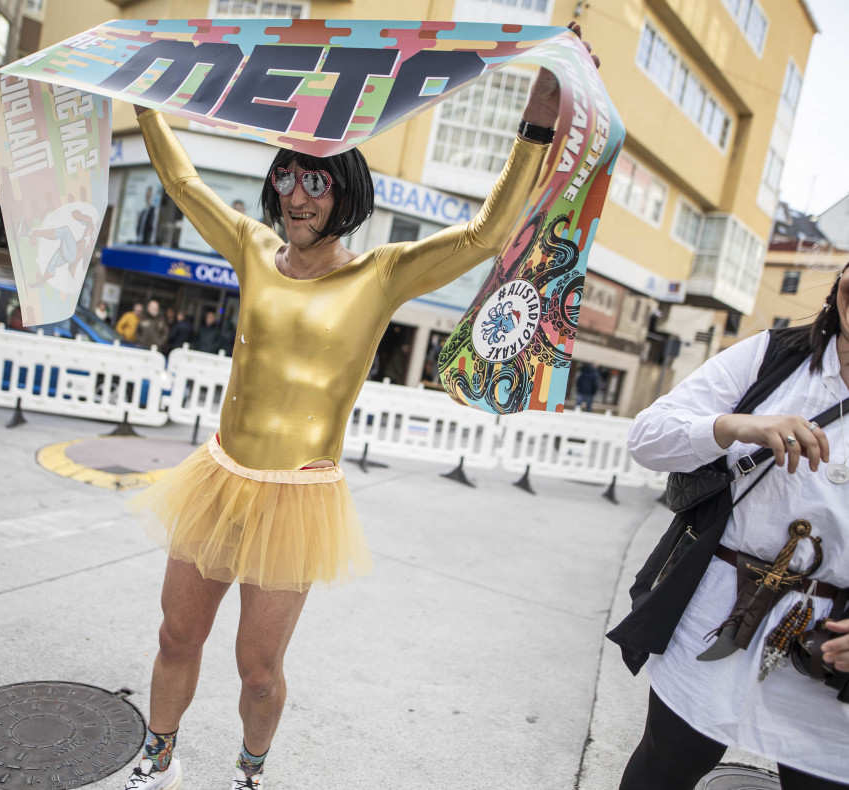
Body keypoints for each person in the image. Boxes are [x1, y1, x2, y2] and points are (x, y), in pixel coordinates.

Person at [122, 23, 598, 790]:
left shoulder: (380, 275)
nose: (298, 196)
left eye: (317, 181)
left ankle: (249, 772)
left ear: (345, 191)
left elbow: (484, 236)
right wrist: (141, 99)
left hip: (296, 497)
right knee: (177, 634)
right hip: (218, 478)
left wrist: (536, 129)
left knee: (258, 672)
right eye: (287, 177)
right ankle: (160, 754)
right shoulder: (249, 247)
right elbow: (184, 185)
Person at [615, 262, 849, 789]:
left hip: (831, 644)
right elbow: (648, 437)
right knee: (665, 765)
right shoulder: (774, 356)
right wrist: (734, 426)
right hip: (722, 610)